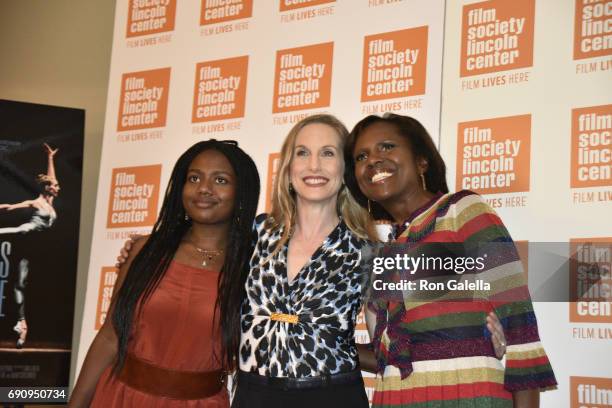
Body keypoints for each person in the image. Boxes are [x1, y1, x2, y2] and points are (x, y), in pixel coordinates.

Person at [345, 113, 557, 408]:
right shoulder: (384, 254)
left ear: (422, 161)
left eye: (387, 147)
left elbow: (520, 326)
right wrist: (313, 342)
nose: (373, 161)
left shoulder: (463, 210)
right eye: (361, 157)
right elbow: (388, 358)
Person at [68, 140, 260, 407]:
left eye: (221, 180)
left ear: (242, 192)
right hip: (120, 398)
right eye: (194, 178)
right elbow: (110, 337)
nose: (204, 188)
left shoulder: (254, 269)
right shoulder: (144, 251)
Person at [0, 143, 59, 348]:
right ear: (47, 188)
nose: (58, 187)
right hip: (26, 233)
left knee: (20, 284)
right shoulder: (36, 203)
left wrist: (50, 158)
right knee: (20, 230)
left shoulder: (49, 201)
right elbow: (10, 208)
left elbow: (52, 178)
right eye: (55, 186)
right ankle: (21, 323)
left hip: (34, 248)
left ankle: (21, 323)